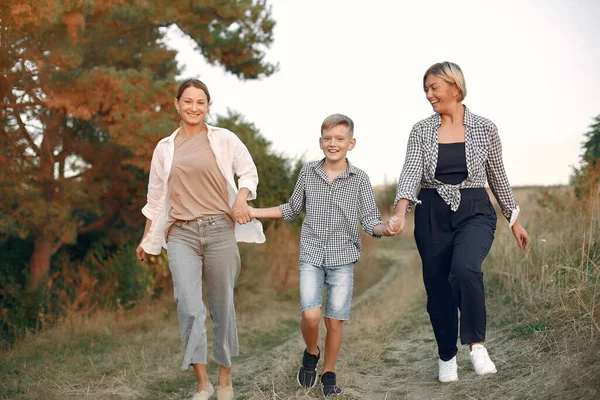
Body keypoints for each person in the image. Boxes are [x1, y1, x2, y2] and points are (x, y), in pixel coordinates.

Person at [388, 62, 530, 383]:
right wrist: (400, 212)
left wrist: (514, 220)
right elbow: (410, 173)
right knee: (438, 287)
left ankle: (476, 344)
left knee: (466, 268)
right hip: (431, 214)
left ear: (455, 87)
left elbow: (497, 175)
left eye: (434, 88)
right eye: (425, 89)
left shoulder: (485, 127)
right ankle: (446, 356)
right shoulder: (421, 130)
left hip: (475, 211)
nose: (428, 95)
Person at [241, 114, 395, 397]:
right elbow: (291, 208)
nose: (333, 143)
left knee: (334, 320)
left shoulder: (360, 178)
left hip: (343, 257)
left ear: (352, 143)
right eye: (328, 138)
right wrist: (253, 212)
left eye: (340, 138)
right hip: (311, 253)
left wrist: (386, 228)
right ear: (320, 141)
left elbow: (370, 220)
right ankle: (311, 351)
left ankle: (329, 372)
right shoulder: (308, 171)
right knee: (311, 316)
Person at [136, 79, 265, 400]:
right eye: (188, 101)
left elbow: (248, 173)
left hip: (220, 230)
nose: (194, 107)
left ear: (207, 106)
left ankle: (224, 380)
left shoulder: (223, 139)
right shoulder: (165, 148)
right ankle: (202, 383)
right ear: (176, 104)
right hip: (181, 234)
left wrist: (242, 199)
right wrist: (146, 239)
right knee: (189, 306)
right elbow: (154, 200)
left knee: (223, 306)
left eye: (201, 102)